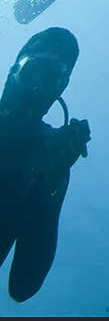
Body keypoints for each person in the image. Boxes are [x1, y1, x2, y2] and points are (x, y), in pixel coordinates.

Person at [0, 28, 90, 302]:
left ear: (59, 90)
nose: (37, 87)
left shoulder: (52, 156)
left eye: (50, 78)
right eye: (31, 71)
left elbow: (23, 286)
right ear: (11, 72)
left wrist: (49, 185)